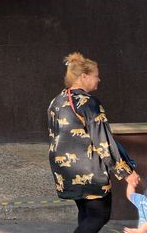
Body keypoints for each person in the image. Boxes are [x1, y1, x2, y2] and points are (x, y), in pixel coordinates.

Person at [48, 52, 140, 233]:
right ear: (84, 76)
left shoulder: (56, 101)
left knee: (86, 213)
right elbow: (103, 142)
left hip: (65, 170)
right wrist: (126, 173)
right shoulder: (89, 103)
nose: (99, 79)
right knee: (100, 215)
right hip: (89, 170)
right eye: (96, 75)